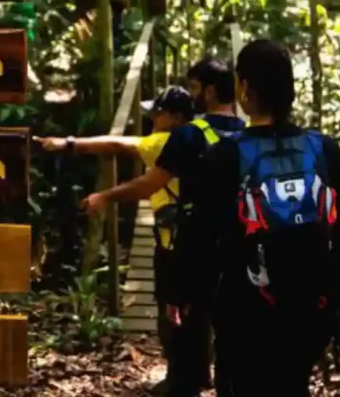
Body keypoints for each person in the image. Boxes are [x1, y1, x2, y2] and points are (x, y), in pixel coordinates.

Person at [168, 39, 340, 397]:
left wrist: (183, 293)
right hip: (308, 310)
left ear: (245, 89)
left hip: (245, 312)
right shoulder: (324, 150)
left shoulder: (226, 156)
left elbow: (199, 237)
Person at [83, 58, 246, 397]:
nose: (193, 95)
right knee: (230, 328)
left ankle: (184, 384)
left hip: (194, 247)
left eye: (196, 88)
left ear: (211, 90)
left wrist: (105, 195)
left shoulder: (188, 136)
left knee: (181, 318)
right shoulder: (250, 135)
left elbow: (147, 186)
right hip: (239, 247)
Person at [34, 85, 193, 168]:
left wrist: (67, 143)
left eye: (158, 114)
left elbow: (115, 144)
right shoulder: (193, 136)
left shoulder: (166, 142)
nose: (152, 118)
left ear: (177, 118)